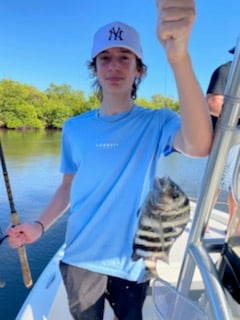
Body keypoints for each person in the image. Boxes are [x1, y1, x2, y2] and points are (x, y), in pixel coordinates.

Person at [7, 1, 213, 319]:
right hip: (79, 258)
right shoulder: (75, 128)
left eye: (124, 57)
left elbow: (200, 146)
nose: (114, 66)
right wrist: (38, 226)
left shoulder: (157, 122)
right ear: (95, 67)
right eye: (105, 58)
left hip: (132, 262)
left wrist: (179, 57)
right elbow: (67, 186)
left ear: (139, 68)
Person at [206, 46, 238, 233]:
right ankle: (203, 223)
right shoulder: (226, 71)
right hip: (225, 139)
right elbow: (212, 103)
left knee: (238, 187)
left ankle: (232, 228)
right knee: (215, 184)